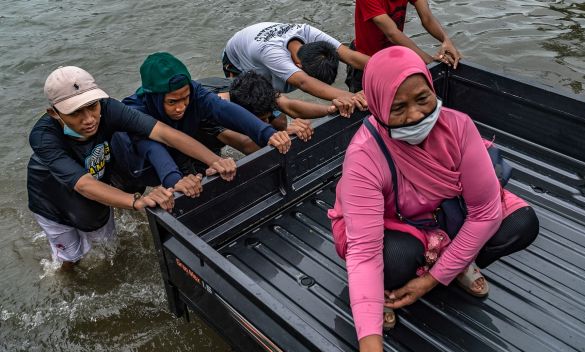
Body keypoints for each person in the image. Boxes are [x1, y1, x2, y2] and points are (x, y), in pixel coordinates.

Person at [327, 46, 539, 352]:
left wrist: (432, 279)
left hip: (441, 216)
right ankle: (377, 300)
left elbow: (485, 210)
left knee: (520, 224)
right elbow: (366, 254)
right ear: (378, 106)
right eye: (398, 107)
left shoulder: (458, 127)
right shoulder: (363, 157)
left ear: (431, 87)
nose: (415, 115)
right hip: (394, 227)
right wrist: (371, 351)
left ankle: (452, 265)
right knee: (393, 260)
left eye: (422, 99)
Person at [28, 66, 237, 270]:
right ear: (54, 113)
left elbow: (164, 133)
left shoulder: (109, 108)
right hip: (52, 197)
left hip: (94, 178)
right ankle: (66, 275)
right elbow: (84, 185)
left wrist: (214, 161)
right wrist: (136, 202)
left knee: (105, 246)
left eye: (92, 106)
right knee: (70, 256)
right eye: (76, 113)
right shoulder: (44, 137)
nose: (89, 119)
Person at [110, 52, 294, 192]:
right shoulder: (133, 112)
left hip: (179, 150)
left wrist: (268, 134)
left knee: (200, 181)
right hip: (133, 166)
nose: (181, 107)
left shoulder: (194, 91)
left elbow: (223, 109)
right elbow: (151, 148)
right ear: (154, 98)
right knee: (134, 198)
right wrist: (175, 181)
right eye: (172, 102)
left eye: (185, 98)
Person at [222, 22, 368, 107]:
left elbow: (351, 56)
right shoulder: (273, 54)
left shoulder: (308, 32)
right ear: (299, 66)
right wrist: (354, 97)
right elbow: (304, 82)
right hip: (237, 62)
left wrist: (388, 66)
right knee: (266, 112)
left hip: (258, 40)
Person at [213, 71, 358, 154]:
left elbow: (289, 106)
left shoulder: (253, 89)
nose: (265, 123)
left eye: (266, 118)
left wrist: (330, 109)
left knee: (280, 121)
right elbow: (246, 145)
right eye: (260, 120)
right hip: (196, 133)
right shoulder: (216, 111)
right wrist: (284, 134)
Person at [346, 0, 463, 92]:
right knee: (364, 106)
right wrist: (429, 61)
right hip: (365, 60)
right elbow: (392, 33)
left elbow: (427, 17)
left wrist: (446, 40)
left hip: (393, 58)